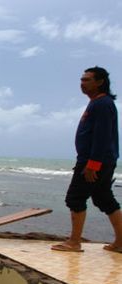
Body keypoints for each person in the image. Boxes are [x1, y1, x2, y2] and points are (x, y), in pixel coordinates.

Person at [52, 66, 121, 252]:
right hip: (101, 160)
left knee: (75, 198)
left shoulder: (102, 104)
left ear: (100, 82)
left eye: (87, 80)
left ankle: (74, 242)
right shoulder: (97, 103)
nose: (82, 84)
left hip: (94, 161)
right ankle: (121, 242)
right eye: (81, 80)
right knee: (104, 198)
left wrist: (92, 164)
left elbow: (102, 136)